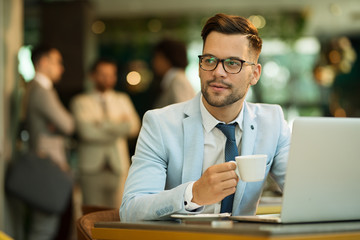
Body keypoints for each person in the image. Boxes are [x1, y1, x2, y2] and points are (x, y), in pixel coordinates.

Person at [120, 13, 291, 222]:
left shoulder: (272, 122)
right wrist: (193, 194)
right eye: (209, 60)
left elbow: (305, 191)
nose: (218, 72)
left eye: (233, 63)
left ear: (254, 74)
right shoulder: (160, 124)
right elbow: (131, 211)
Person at [71, 58, 141, 208]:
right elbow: (87, 133)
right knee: (91, 216)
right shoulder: (80, 101)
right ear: (92, 76)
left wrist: (101, 124)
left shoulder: (122, 99)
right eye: (103, 74)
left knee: (118, 216)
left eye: (111, 74)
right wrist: (118, 126)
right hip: (91, 169)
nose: (108, 79)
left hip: (118, 166)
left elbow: (134, 127)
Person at [25, 45, 74, 239]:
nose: (61, 68)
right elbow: (69, 124)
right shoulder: (41, 91)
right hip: (47, 165)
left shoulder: (36, 89)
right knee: (44, 226)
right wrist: (61, 123)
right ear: (44, 62)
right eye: (57, 63)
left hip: (45, 164)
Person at [152, 38, 196, 108]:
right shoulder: (174, 80)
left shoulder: (178, 81)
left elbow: (184, 113)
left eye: (157, 57)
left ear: (167, 59)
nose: (154, 62)